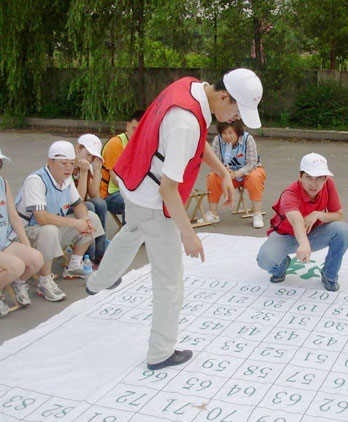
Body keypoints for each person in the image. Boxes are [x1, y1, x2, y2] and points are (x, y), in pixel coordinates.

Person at [86, 68, 263, 370]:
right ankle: (161, 352)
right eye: (236, 109)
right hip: (154, 199)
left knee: (133, 229)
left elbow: (196, 142)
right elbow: (169, 188)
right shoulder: (186, 123)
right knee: (169, 280)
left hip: (133, 182)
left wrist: (222, 171)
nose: (235, 118)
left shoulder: (191, 87)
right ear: (223, 96)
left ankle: (99, 281)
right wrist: (188, 233)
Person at [15, 141, 104, 302]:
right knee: (50, 230)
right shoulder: (36, 180)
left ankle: (74, 265)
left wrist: (84, 219)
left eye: (71, 163)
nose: (69, 168)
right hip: (24, 234)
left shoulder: (66, 179)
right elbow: (41, 218)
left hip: (49, 230)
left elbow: (78, 204)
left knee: (92, 217)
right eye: (64, 164)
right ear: (50, 162)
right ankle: (44, 281)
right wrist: (76, 223)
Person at [256, 152, 348, 292]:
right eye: (308, 177)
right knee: (265, 260)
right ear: (300, 177)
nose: (314, 184)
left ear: (326, 179)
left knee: (342, 230)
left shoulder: (329, 185)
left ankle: (329, 274)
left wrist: (318, 214)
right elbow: (296, 221)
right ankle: (281, 266)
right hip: (286, 236)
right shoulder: (290, 193)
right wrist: (304, 244)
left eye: (319, 178)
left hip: (314, 233)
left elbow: (339, 215)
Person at [0, 148, 44, 315]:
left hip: (4, 241)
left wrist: (27, 247)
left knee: (36, 258)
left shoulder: (2, 182)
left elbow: (14, 216)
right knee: (16, 266)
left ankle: (18, 284)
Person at [205, 120, 266, 228]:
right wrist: (224, 171)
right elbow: (215, 162)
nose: (227, 136)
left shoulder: (248, 139)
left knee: (254, 176)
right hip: (228, 173)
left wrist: (235, 174)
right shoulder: (217, 140)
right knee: (212, 177)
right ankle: (213, 213)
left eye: (230, 133)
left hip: (248, 171)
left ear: (237, 132)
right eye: (224, 133)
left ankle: (257, 213)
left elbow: (252, 163)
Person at [100, 110, 144, 224]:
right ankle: (130, 237)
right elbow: (115, 179)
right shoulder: (115, 144)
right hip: (109, 194)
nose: (136, 134)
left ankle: (149, 235)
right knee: (130, 202)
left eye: (140, 130)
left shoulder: (143, 145)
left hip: (131, 190)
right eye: (134, 129)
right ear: (127, 126)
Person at [72, 134, 107, 265]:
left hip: (81, 206)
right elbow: (78, 199)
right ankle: (88, 256)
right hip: (67, 207)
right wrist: (83, 172)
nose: (90, 159)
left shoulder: (88, 166)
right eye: (88, 154)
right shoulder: (68, 165)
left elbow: (94, 194)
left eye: (93, 157)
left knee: (100, 204)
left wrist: (97, 171)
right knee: (89, 207)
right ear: (78, 148)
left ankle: (100, 253)